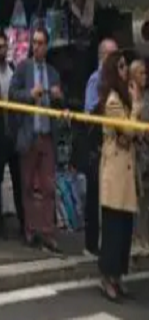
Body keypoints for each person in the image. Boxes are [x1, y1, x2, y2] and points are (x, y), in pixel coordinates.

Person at [8, 26, 65, 254]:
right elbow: (12, 95)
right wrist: (30, 94)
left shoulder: (53, 72)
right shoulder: (23, 68)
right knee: (28, 185)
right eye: (34, 42)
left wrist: (59, 97)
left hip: (47, 134)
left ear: (47, 46)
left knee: (48, 185)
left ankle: (48, 232)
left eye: (41, 43)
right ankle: (30, 230)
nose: (37, 46)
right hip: (29, 134)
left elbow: (61, 102)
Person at [97, 51, 144, 302]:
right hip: (115, 171)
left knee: (125, 228)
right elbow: (127, 129)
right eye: (122, 66)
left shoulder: (124, 99)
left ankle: (118, 276)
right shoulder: (113, 100)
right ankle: (107, 276)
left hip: (126, 170)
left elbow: (134, 134)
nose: (126, 71)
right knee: (114, 226)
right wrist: (136, 107)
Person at [79, 38, 118, 256]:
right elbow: (89, 113)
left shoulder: (116, 80)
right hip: (97, 145)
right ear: (103, 56)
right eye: (112, 55)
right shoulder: (96, 80)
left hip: (113, 146)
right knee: (94, 195)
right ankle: (91, 243)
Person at [0, 30, 24, 239]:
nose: (3, 50)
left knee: (18, 179)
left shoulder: (13, 69)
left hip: (13, 133)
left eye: (5, 46)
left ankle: (22, 221)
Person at [129, 59, 149, 249]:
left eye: (145, 73)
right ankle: (136, 237)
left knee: (146, 200)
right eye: (141, 73)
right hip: (135, 153)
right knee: (136, 197)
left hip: (147, 152)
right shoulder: (130, 98)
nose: (145, 76)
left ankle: (145, 236)